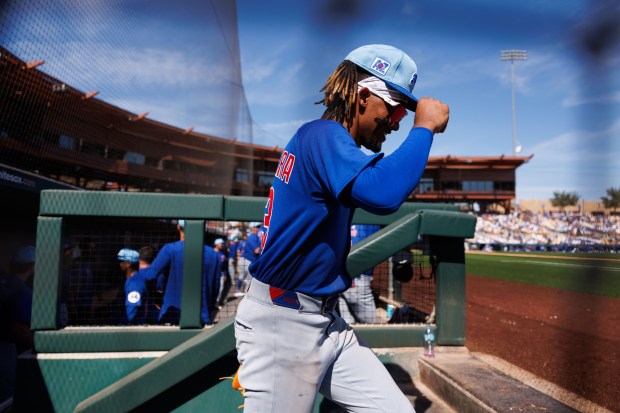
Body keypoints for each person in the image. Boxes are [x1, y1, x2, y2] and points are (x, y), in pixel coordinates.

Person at [233, 44, 449, 412]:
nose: (397, 121)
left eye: (403, 113)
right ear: (363, 95)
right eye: (394, 107)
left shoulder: (324, 142)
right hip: (283, 323)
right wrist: (424, 127)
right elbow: (383, 192)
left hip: (324, 320)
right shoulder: (321, 134)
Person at [143, 220, 221, 325]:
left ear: (178, 227)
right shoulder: (214, 255)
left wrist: (156, 297)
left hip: (172, 315)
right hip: (201, 317)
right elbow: (216, 287)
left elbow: (149, 276)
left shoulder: (170, 249)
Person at [0, 246, 35, 405]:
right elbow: (19, 328)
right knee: (6, 398)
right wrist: (39, 345)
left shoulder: (4, 282)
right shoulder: (22, 291)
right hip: (4, 347)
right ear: (32, 266)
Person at [338, 224, 381, 324]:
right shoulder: (372, 216)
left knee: (348, 327)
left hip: (338, 278)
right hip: (356, 279)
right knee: (371, 328)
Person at [234, 222, 261, 296]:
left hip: (247, 260)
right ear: (253, 228)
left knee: (247, 278)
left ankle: (240, 291)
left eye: (258, 227)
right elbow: (256, 250)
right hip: (246, 260)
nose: (258, 228)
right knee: (248, 279)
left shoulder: (256, 237)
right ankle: (242, 292)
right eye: (256, 227)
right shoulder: (252, 237)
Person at [214, 238, 231, 310]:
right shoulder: (211, 252)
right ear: (216, 244)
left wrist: (225, 274)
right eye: (221, 243)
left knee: (220, 289)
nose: (222, 245)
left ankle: (217, 303)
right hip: (213, 274)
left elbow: (224, 266)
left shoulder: (222, 254)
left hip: (220, 273)